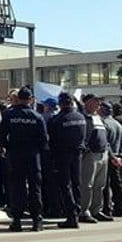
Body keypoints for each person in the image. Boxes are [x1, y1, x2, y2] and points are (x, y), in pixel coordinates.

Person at [0, 86, 47, 232]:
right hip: (33, 156)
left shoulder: (8, 115)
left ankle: (17, 221)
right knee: (35, 188)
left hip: (15, 155)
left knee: (17, 188)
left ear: (18, 98)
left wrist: (8, 147)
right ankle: (36, 221)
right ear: (31, 99)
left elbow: (1, 136)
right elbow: (44, 140)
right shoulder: (37, 116)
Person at [47, 92, 86, 229]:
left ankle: (71, 215)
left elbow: (51, 140)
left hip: (62, 155)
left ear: (60, 103)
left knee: (65, 185)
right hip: (77, 154)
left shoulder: (58, 120)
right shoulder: (80, 117)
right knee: (76, 184)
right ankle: (77, 210)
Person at [79, 94, 109, 224]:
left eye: (99, 102)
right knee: (87, 185)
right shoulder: (84, 117)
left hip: (103, 154)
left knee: (99, 185)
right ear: (88, 103)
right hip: (90, 155)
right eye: (96, 102)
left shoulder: (98, 118)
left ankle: (96, 209)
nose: (98, 105)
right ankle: (84, 211)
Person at [100, 102, 122, 221]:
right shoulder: (118, 124)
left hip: (108, 157)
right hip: (117, 157)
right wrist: (120, 156)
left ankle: (107, 207)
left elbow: (105, 143)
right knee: (117, 183)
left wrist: (112, 157)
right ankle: (121, 206)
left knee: (105, 184)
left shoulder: (104, 123)